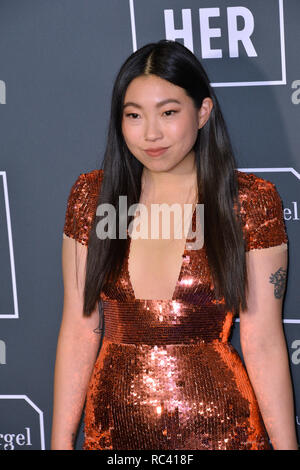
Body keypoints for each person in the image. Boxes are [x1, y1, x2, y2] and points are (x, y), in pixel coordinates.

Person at [51, 40, 298, 450]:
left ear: (202, 112)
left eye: (168, 113)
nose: (151, 133)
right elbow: (79, 330)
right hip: (113, 434)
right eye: (134, 115)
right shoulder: (93, 198)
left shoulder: (248, 202)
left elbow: (264, 340)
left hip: (221, 429)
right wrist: (60, 441)